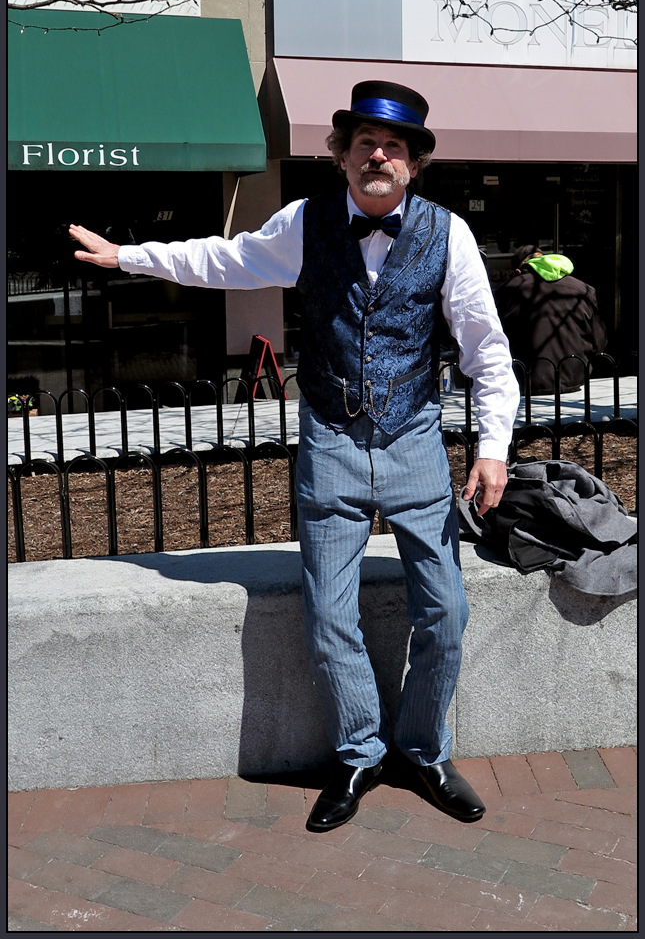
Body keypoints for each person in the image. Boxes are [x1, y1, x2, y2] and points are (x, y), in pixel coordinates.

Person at [70, 80, 520, 833]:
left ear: (413, 164)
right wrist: (128, 258)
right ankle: (357, 753)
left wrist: (492, 447)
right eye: (365, 142)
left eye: (395, 145)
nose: (379, 153)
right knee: (327, 612)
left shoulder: (450, 236)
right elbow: (225, 259)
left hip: (413, 441)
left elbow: (487, 351)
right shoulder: (305, 222)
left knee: (446, 608)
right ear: (342, 154)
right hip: (331, 442)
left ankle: (423, 748)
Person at [493, 244, 608, 395]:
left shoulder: (506, 291)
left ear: (518, 271)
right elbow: (599, 341)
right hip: (575, 381)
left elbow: (493, 340)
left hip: (524, 383)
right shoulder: (583, 289)